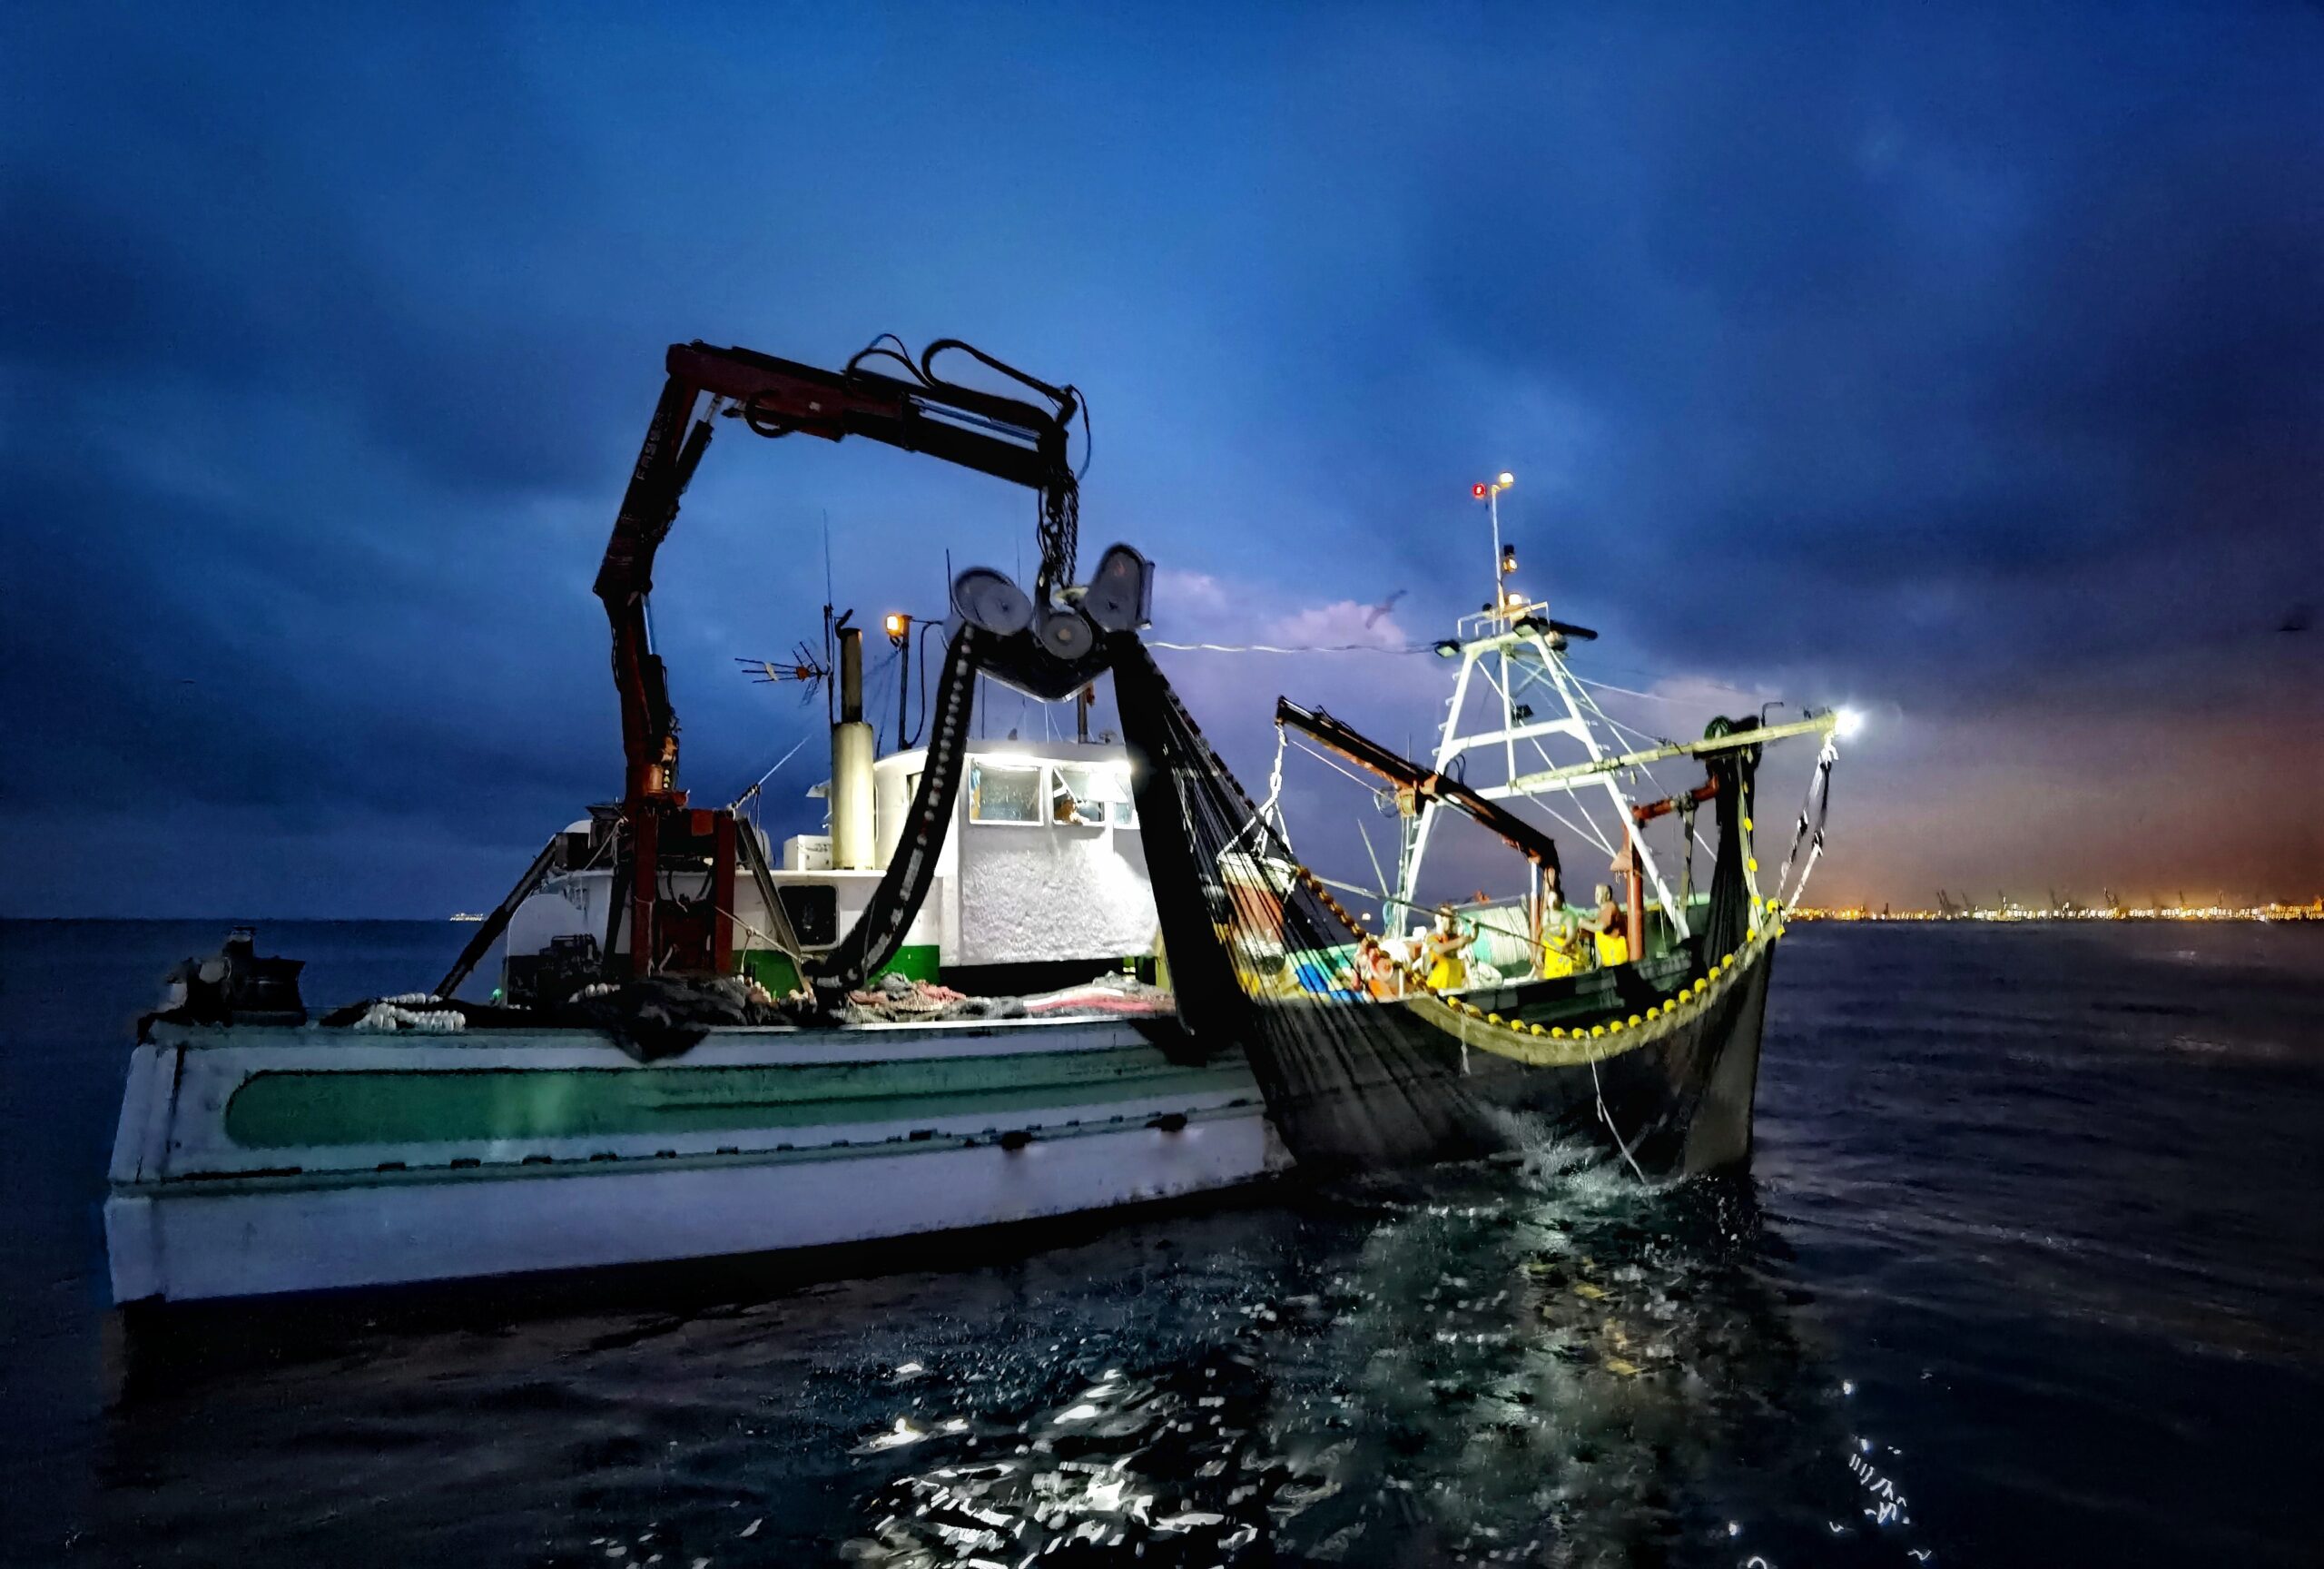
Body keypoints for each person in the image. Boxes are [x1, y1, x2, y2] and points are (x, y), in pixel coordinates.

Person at [1422, 903, 1475, 991]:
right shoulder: (1432, 937)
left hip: (1456, 990)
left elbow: (1471, 939)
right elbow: (1438, 949)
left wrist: (1474, 929)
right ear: (1437, 918)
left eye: (1450, 918)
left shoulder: (1454, 938)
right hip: (1437, 990)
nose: (1448, 920)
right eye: (1444, 916)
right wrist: (1458, 942)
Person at [1581, 882, 1630, 969]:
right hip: (1609, 961)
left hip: (1616, 959)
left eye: (1598, 894)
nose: (1595, 896)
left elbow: (1601, 927)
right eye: (1595, 893)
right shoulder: (1602, 911)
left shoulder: (1610, 907)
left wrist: (1583, 923)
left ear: (1607, 895)